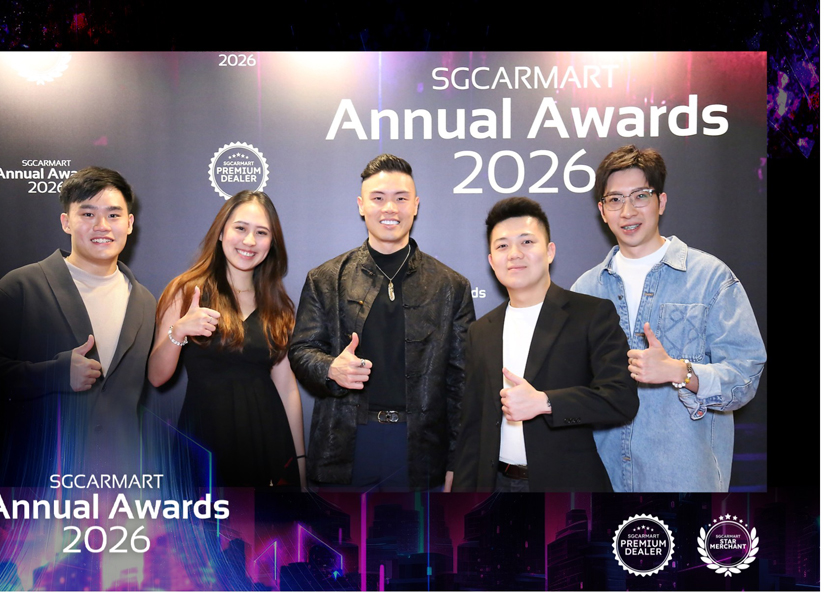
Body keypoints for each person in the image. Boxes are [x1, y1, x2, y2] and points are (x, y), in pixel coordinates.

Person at [571, 145, 767, 492]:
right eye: (615, 200)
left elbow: (745, 377)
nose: (628, 211)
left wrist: (681, 372)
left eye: (640, 196)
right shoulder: (585, 289)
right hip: (603, 481)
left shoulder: (710, 278)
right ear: (602, 210)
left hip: (684, 484)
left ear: (660, 201)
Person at [288, 154, 475, 491]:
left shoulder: (451, 286)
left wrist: (455, 462)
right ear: (361, 206)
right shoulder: (325, 278)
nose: (390, 208)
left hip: (421, 451)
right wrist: (331, 368)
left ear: (415, 205)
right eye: (378, 198)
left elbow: (461, 383)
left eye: (401, 198)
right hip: (345, 445)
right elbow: (301, 350)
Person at [452, 197, 638, 492]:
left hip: (566, 488)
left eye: (527, 242)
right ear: (491, 260)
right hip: (494, 484)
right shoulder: (481, 331)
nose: (514, 254)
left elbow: (621, 399)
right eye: (502, 246)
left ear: (550, 251)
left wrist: (545, 402)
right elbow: (472, 425)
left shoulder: (591, 315)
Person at [0, 166, 156, 485]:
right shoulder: (21, 287)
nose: (102, 226)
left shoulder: (145, 302)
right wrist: (54, 373)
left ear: (130, 223)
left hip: (120, 485)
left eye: (113, 215)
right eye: (88, 214)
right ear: (66, 222)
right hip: (37, 483)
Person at [149, 190, 306, 489]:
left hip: (269, 446)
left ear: (272, 243)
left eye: (261, 233)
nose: (249, 241)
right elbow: (157, 377)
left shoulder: (278, 306)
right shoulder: (185, 291)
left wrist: (300, 464)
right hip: (203, 444)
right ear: (221, 232)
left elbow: (286, 388)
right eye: (240, 228)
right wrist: (178, 331)